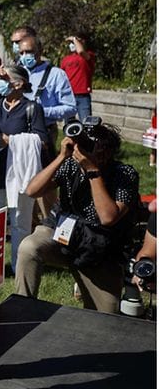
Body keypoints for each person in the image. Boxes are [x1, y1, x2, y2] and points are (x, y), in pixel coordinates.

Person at [16, 122, 138, 314]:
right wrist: (62, 156)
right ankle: (22, 308)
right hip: (62, 233)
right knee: (29, 247)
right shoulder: (71, 165)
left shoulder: (124, 174)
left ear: (107, 153)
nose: (85, 151)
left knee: (106, 316)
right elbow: (33, 190)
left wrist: (92, 171)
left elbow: (108, 218)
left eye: (93, 148)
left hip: (99, 249)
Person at [0, 66, 48, 273]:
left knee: (20, 224)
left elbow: (42, 140)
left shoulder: (31, 108)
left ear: (17, 84)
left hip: (20, 176)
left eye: (3, 78)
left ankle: (20, 267)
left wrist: (10, 141)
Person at [60, 32, 96, 121]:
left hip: (83, 95)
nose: (72, 44)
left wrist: (75, 39)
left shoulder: (89, 55)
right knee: (69, 125)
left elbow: (81, 51)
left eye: (74, 42)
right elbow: (61, 77)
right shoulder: (66, 59)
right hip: (68, 95)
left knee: (86, 123)